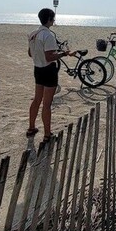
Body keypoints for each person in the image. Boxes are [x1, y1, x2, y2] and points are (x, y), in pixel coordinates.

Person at [27, 8, 74, 140]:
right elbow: (50, 57)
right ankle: (47, 134)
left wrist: (40, 56)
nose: (54, 21)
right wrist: (64, 53)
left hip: (37, 69)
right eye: (53, 19)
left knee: (37, 100)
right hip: (48, 70)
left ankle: (31, 127)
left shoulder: (32, 34)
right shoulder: (48, 35)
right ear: (49, 19)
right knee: (46, 104)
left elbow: (30, 53)